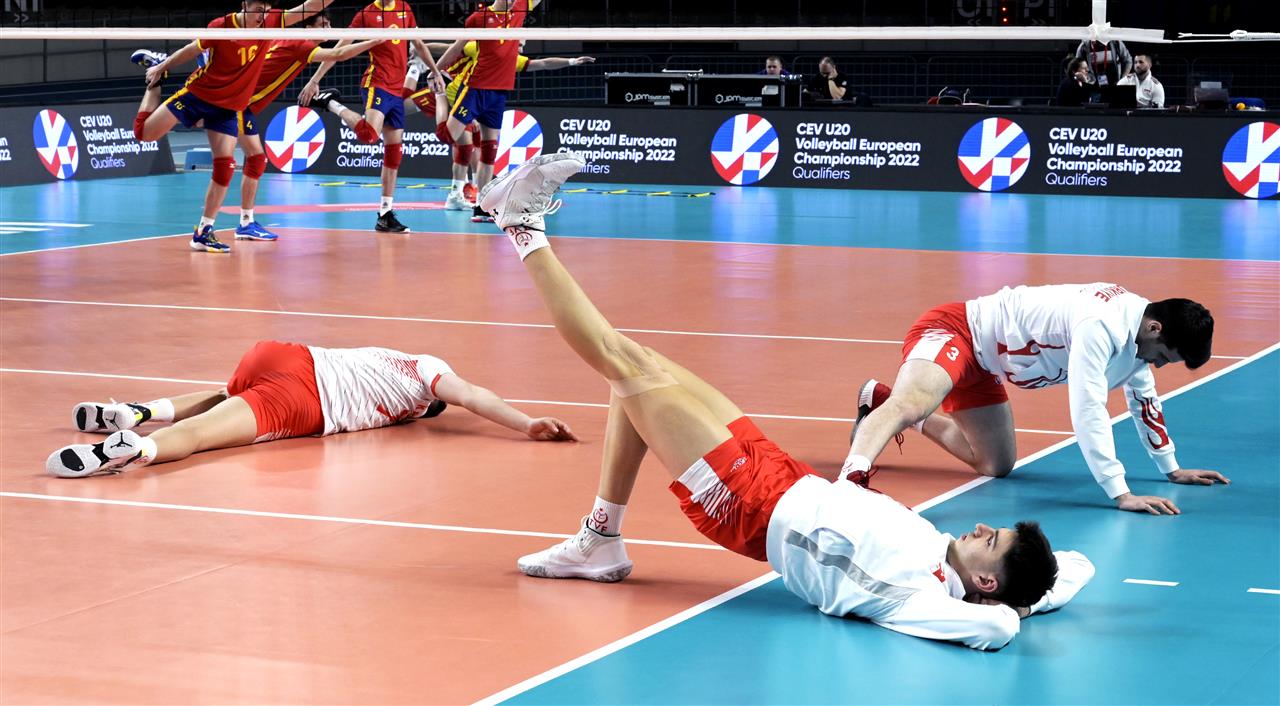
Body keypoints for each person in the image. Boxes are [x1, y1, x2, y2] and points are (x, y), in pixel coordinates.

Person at [474, 153, 1095, 651]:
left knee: (622, 361)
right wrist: (1031, 592)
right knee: (639, 369)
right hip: (782, 473)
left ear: (984, 581)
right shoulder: (951, 560)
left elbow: (998, 626)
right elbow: (1074, 567)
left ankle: (519, 224)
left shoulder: (921, 598)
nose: (984, 526)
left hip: (748, 506)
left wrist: (1013, 608)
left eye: (993, 540)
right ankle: (600, 541)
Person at [842, 284, 1229, 516]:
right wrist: (1120, 492)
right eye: (1163, 357)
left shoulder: (1138, 337)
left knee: (995, 465)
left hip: (987, 365)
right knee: (912, 401)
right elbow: (1088, 409)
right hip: (957, 331)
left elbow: (1144, 399)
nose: (1157, 365)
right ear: (1155, 328)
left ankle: (880, 400)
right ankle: (848, 484)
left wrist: (1171, 468)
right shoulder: (1101, 325)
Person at [47, 340, 577, 478]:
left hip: (285, 355)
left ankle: (138, 411)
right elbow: (475, 396)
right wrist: (526, 423)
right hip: (306, 401)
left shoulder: (396, 358)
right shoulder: (428, 379)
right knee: (205, 435)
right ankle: (135, 449)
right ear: (429, 407)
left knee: (228, 398)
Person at [132, 11, 381, 242]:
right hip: (238, 101)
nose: (329, 28)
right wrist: (376, 40)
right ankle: (241, 223)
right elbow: (338, 54)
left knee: (254, 158)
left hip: (243, 102)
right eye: (323, 24)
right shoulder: (301, 45)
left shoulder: (285, 40)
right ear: (308, 27)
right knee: (250, 157)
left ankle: (244, 222)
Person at [300, 0, 446, 234]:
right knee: (369, 135)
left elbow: (418, 43)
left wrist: (435, 71)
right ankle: (330, 103)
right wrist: (315, 80)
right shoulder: (366, 14)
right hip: (376, 83)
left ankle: (385, 214)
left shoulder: (404, 8)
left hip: (396, 89)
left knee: (394, 153)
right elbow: (340, 48)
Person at [409, 39, 592, 210]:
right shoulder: (480, 47)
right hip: (456, 91)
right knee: (438, 130)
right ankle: (416, 72)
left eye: (522, 45)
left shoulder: (513, 60)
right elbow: (449, 48)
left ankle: (470, 196)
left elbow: (543, 63)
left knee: (476, 148)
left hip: (482, 102)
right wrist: (422, 51)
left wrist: (572, 61)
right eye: (519, 44)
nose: (521, 48)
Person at [430, 0, 541, 223]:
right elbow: (456, 47)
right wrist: (435, 70)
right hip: (475, 88)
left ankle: (481, 207)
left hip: (498, 94)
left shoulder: (519, 9)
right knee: (447, 136)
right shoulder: (478, 19)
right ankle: (439, 96)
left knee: (489, 152)